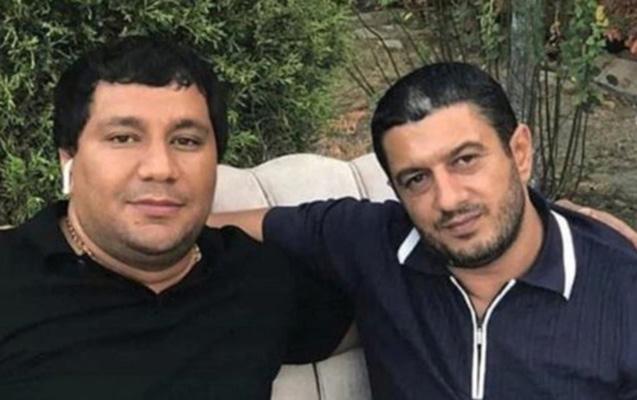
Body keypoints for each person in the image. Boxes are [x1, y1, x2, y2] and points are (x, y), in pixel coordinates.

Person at [212, 62, 637, 399]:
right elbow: (205, 224)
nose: (447, 199)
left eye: (465, 160)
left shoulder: (622, 290)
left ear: (520, 153)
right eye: (416, 179)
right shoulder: (374, 241)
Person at [0, 36, 351, 399]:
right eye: (123, 138)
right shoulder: (11, 277)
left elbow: (382, 302)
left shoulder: (258, 279)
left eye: (186, 141)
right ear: (68, 159)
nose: (160, 168)